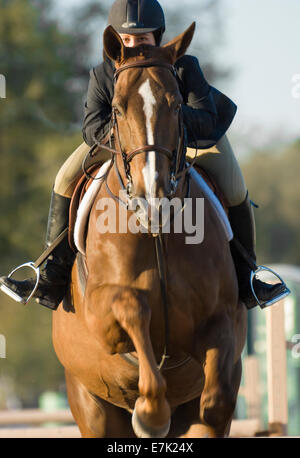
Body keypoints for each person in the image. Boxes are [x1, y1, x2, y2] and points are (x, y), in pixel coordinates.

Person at [0, 0, 287, 310]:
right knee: (64, 177)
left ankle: (248, 278)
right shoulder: (104, 73)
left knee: (234, 186)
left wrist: (165, 120)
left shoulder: (184, 66)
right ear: (116, 42)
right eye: (126, 40)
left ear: (158, 37)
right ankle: (51, 275)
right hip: (123, 145)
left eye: (142, 39)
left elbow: (205, 117)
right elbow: (91, 127)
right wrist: (130, 130)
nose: (135, 45)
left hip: (190, 139)